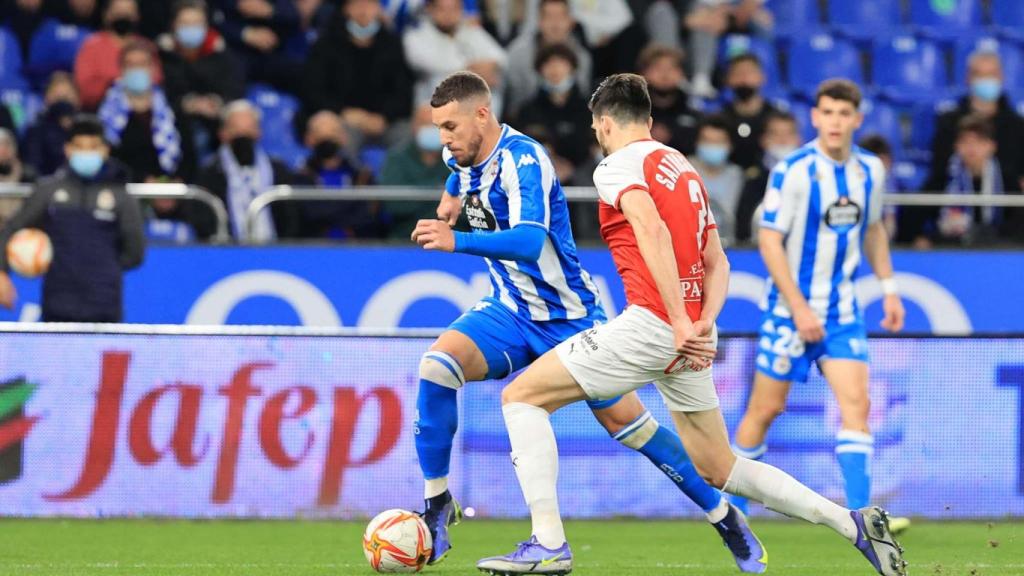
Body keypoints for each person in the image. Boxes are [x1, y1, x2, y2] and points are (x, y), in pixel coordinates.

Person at [477, 73, 906, 576]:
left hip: (653, 325)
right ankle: (851, 524)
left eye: (597, 128)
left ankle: (548, 544)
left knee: (522, 397)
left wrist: (678, 320)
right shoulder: (682, 167)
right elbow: (717, 259)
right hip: (693, 332)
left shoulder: (615, 166)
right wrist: (702, 323)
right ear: (651, 121)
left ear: (604, 123)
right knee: (719, 467)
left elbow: (650, 227)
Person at [410, 71, 764, 572]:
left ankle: (722, 514)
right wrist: (450, 198)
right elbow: (459, 174)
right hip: (511, 309)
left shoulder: (525, 160)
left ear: (482, 115)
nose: (443, 140)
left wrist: (457, 240)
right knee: (436, 366)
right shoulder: (459, 157)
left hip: (569, 316)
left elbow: (530, 242)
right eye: (440, 128)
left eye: (450, 127)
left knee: (633, 428)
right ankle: (437, 503)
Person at [730, 79, 909, 535]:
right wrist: (799, 307)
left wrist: (888, 287)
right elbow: (769, 240)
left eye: (843, 114)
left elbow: (872, 230)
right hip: (790, 313)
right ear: (815, 117)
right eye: (827, 112)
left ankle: (864, 519)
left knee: (857, 405)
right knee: (764, 411)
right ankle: (734, 514)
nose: (835, 121)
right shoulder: (792, 170)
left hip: (842, 311)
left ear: (857, 119)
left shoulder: (870, 170)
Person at [0, 115, 145, 322]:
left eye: (93, 147)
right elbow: (11, 230)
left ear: (105, 150)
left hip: (104, 307)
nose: (86, 153)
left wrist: (103, 268)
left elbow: (135, 252)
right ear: (68, 149)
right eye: (80, 146)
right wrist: (2, 273)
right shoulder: (48, 191)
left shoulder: (121, 196)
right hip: (57, 304)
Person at [302, 0, 412, 153]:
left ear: (378, 9)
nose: (363, 11)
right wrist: (343, 112)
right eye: (357, 5)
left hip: (384, 122)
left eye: (369, 5)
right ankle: (353, 176)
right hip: (344, 119)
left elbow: (403, 91)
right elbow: (314, 91)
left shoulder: (392, 44)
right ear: (346, 9)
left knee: (408, 136)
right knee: (336, 136)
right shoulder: (326, 44)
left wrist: (384, 117)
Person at [196, 99, 303, 241]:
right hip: (227, 252)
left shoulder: (278, 170)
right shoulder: (209, 172)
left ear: (259, 132)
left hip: (275, 251)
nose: (243, 135)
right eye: (236, 129)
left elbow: (291, 217)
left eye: (249, 129)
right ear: (223, 134)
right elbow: (203, 220)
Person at [912, 114, 1021, 246]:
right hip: (952, 248)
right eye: (965, 141)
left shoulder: (1006, 177)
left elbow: (1016, 222)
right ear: (956, 146)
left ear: (992, 146)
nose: (971, 147)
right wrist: (922, 238)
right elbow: (915, 213)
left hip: (997, 248)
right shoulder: (943, 176)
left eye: (979, 141)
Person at [928, 50, 1024, 197]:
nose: (986, 80)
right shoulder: (949, 123)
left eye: (991, 74)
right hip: (955, 207)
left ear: (1001, 77)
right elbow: (939, 173)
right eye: (979, 74)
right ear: (968, 78)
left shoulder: (1018, 126)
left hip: (1007, 212)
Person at [158, 0, 245, 161]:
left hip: (216, 122)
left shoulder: (223, 56)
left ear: (207, 26)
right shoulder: (161, 56)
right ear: (173, 26)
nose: (191, 28)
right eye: (185, 23)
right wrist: (188, 104)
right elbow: (160, 93)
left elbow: (235, 89)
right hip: (174, 122)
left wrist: (217, 102)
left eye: (197, 23)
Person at [97, 41, 194, 182]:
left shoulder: (171, 108)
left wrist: (177, 181)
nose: (137, 70)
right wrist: (141, 179)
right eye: (131, 65)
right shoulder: (107, 112)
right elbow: (107, 157)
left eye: (143, 64)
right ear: (121, 69)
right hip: (125, 189)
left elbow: (188, 154)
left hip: (172, 191)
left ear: (153, 68)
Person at [402, 0, 506, 110]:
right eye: (443, 9)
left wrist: (489, 67)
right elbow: (434, 64)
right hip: (433, 107)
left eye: (454, 9)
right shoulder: (416, 35)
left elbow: (500, 57)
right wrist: (473, 70)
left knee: (492, 86)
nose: (449, 14)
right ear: (430, 9)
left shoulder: (469, 29)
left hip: (475, 105)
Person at [297, 110, 383, 239]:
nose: (328, 140)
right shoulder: (301, 176)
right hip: (315, 248)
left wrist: (328, 210)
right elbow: (310, 214)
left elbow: (367, 215)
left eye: (333, 134)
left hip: (357, 247)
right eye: (321, 135)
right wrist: (354, 199)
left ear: (343, 138)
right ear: (308, 139)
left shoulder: (361, 176)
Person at [513, 43, 592, 184]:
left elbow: (593, 145)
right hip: (539, 175)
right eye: (548, 64)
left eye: (561, 63)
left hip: (584, 176)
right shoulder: (528, 110)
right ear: (540, 70)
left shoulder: (588, 109)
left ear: (572, 68)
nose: (555, 70)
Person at [504, 0, 592, 118]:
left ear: (571, 21)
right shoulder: (517, 54)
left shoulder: (582, 57)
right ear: (539, 21)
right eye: (548, 17)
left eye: (561, 17)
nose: (555, 24)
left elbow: (583, 99)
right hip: (527, 121)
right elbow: (512, 100)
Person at [73, 0, 162, 111]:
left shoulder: (147, 46)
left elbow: (157, 80)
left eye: (128, 11)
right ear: (106, 15)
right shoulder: (91, 46)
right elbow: (85, 88)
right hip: (101, 111)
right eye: (118, 11)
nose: (123, 15)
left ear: (137, 15)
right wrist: (117, 84)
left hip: (145, 110)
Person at [378, 104, 449, 239]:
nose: (431, 129)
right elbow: (394, 205)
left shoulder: (460, 159)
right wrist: (440, 195)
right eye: (425, 124)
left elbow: (466, 210)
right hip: (405, 238)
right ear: (414, 126)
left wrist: (417, 194)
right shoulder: (396, 159)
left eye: (436, 125)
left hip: (452, 240)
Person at [735, 111, 800, 243]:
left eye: (789, 133)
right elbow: (743, 224)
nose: (783, 140)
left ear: (799, 139)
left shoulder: (809, 176)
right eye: (775, 134)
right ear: (764, 140)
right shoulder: (754, 179)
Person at [719, 53, 781, 171]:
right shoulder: (721, 117)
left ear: (762, 77)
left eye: (749, 73)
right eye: (738, 74)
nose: (743, 79)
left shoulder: (775, 117)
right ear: (728, 79)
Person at [641, 43, 702, 156]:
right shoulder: (632, 109)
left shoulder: (693, 109)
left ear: (682, 74)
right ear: (644, 73)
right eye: (658, 68)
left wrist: (673, 136)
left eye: (671, 68)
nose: (665, 74)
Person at [690, 115, 743, 244]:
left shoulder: (737, 176)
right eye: (707, 141)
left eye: (719, 141)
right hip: (690, 243)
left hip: (729, 245)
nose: (713, 146)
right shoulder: (682, 169)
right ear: (697, 143)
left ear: (730, 145)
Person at [22, 72, 81, 177]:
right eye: (57, 96)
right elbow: (33, 167)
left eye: (67, 96)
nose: (63, 101)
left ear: (78, 98)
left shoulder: (88, 127)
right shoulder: (36, 131)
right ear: (46, 98)